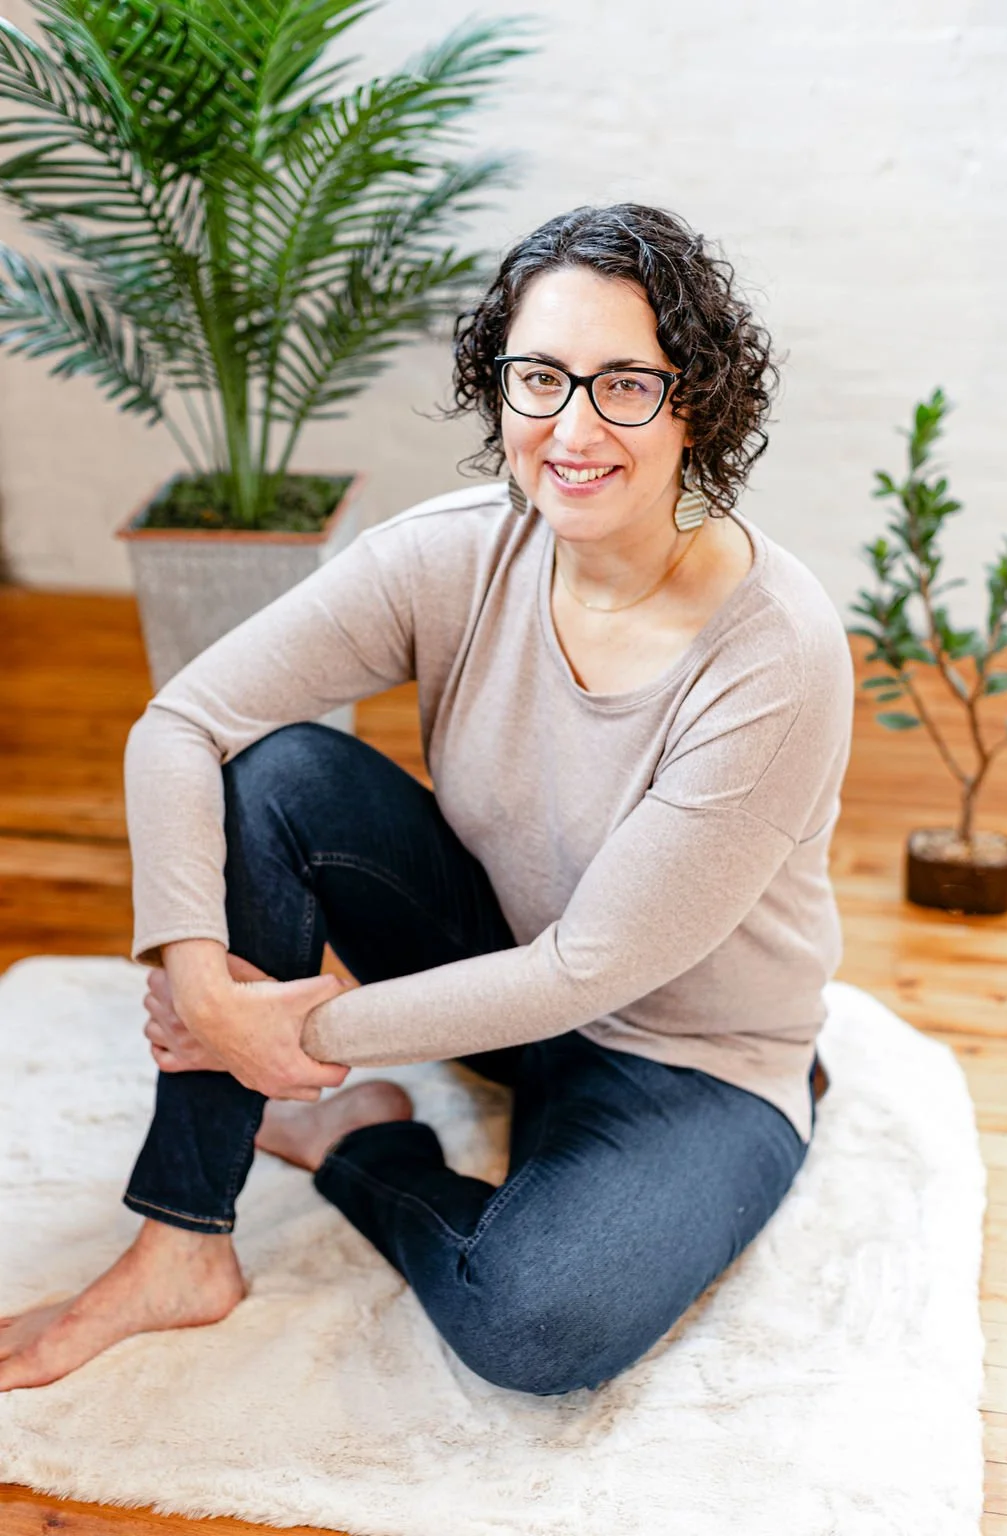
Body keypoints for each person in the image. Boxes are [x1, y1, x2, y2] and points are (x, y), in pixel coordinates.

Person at [0, 203, 852, 1397]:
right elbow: (181, 724)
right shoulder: (454, 552)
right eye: (539, 376)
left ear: (693, 403)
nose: (572, 426)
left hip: (689, 1056)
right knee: (280, 773)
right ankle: (179, 1242)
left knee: (533, 1328)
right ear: (496, 387)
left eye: (625, 385)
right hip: (503, 978)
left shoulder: (775, 654)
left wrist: (286, 1035)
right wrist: (197, 974)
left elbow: (589, 970)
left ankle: (358, 1137)